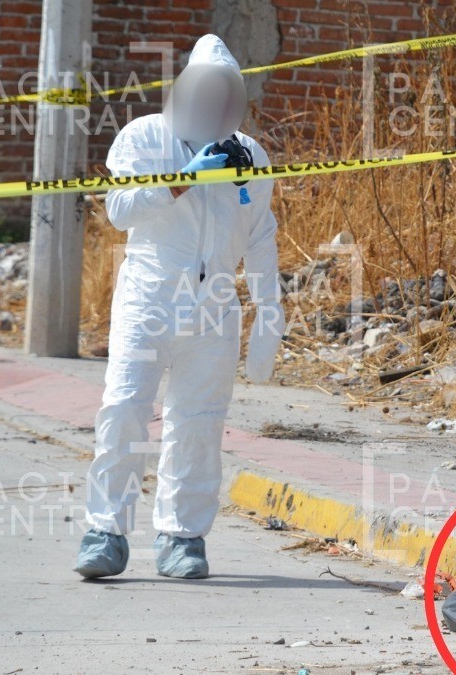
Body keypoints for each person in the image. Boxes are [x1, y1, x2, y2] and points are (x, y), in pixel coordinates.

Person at [73, 35, 284, 579]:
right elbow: (119, 209)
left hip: (214, 310)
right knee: (124, 409)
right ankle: (105, 532)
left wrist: (269, 311)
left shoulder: (250, 156)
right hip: (148, 301)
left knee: (199, 423)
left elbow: (260, 233)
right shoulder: (145, 137)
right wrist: (181, 183)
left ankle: (182, 538)